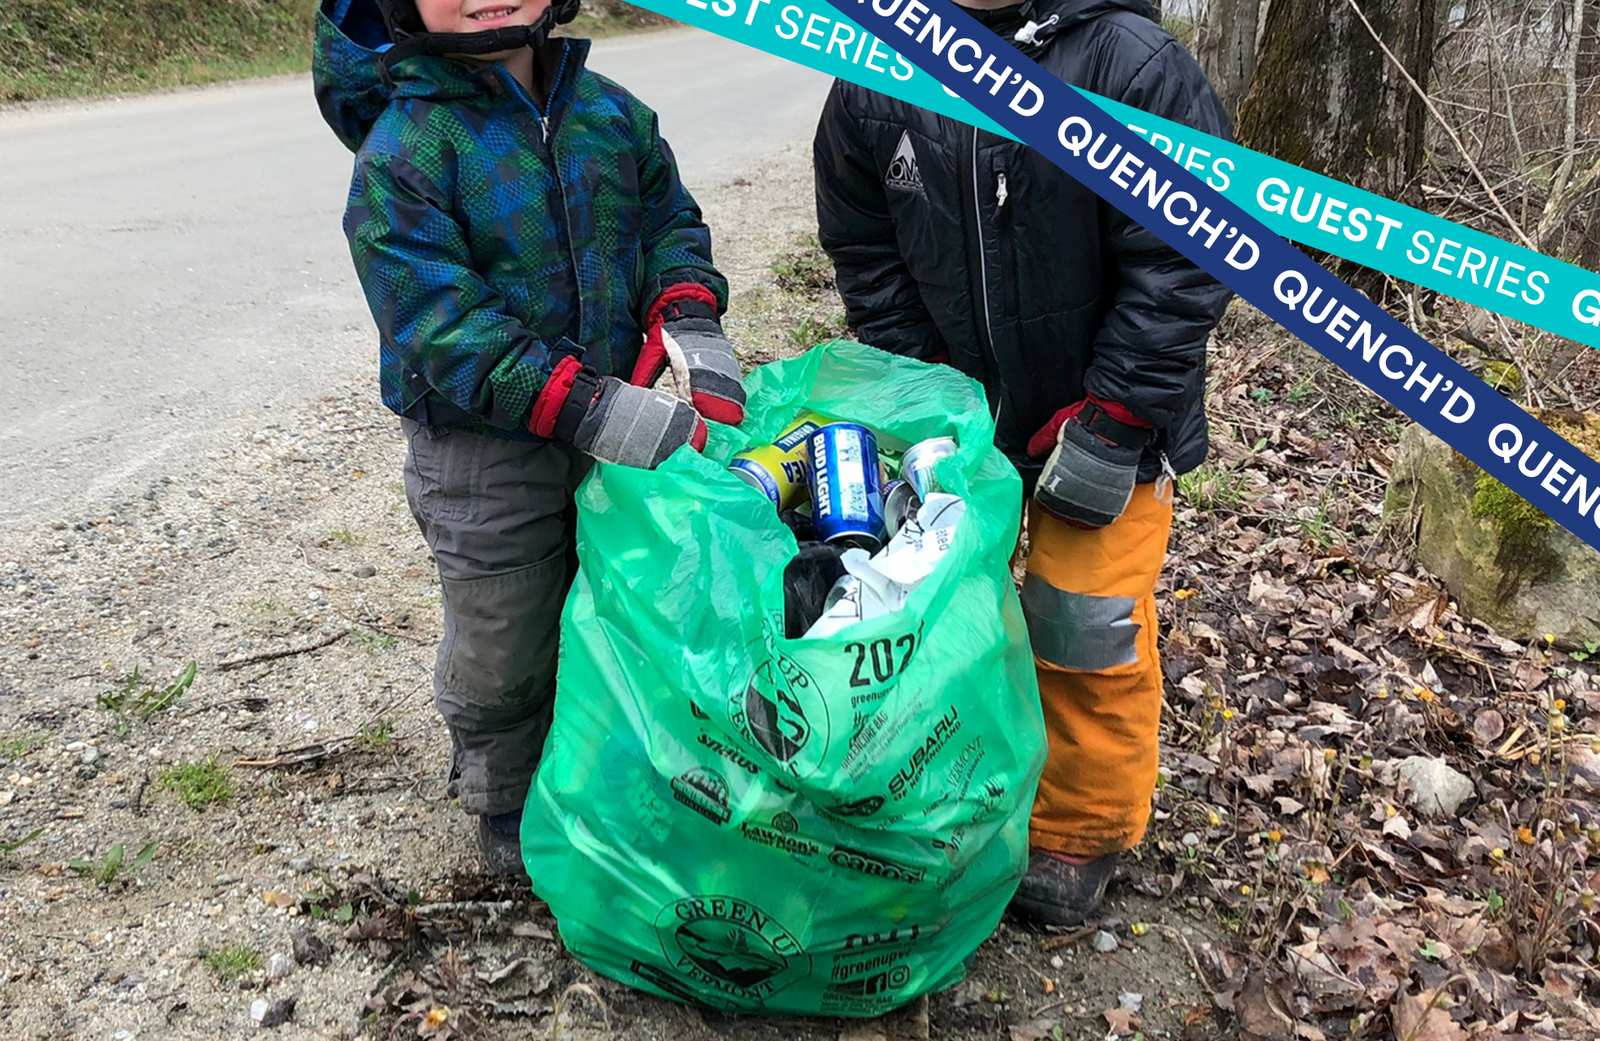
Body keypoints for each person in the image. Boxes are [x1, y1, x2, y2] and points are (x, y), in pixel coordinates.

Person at [813, 0, 1232, 925]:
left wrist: (1116, 416)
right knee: (944, 609)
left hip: (1113, 413)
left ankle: (1081, 826)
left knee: (1084, 623)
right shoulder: (877, 69)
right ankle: (959, 786)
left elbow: (1186, 260)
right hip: (966, 413)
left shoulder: (1132, 65)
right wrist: (927, 393)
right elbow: (864, 247)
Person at [315, 0, 744, 878]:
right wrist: (580, 403)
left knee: (614, 591)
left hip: (605, 415)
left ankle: (605, 753)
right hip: (480, 449)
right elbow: (441, 323)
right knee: (504, 629)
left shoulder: (613, 116)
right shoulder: (405, 152)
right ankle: (504, 788)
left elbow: (669, 224)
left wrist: (688, 313)